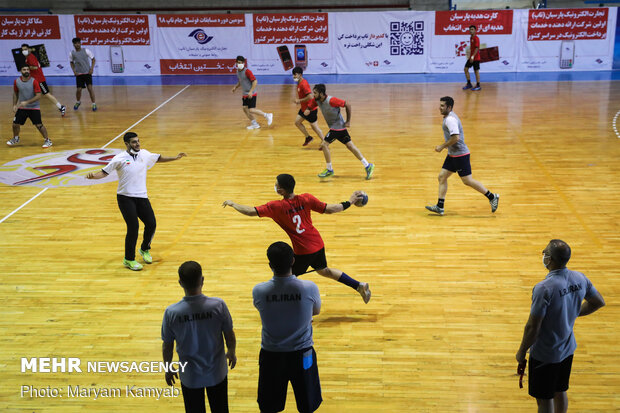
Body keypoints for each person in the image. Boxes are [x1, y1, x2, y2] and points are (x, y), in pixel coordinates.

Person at [222, 173, 371, 303]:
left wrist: (233, 204)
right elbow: (332, 209)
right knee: (324, 271)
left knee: (285, 279)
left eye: (276, 185)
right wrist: (350, 201)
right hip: (317, 243)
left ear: (281, 190)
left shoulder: (276, 207)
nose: (275, 186)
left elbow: (250, 212)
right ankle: (359, 285)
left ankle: (303, 309)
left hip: (304, 251)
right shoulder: (306, 198)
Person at [515, 240, 605, 413]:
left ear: (551, 259)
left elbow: (532, 327)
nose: (543, 255)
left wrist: (521, 352)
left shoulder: (544, 288)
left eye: (545, 252)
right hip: (567, 350)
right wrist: (571, 312)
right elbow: (598, 302)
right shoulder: (580, 278)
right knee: (560, 391)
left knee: (544, 400)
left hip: (545, 354)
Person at [86, 132, 186, 270]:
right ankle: (129, 259)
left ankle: (145, 249)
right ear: (126, 144)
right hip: (125, 198)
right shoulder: (119, 158)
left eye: (138, 141)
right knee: (133, 228)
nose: (137, 144)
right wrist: (93, 177)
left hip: (142, 196)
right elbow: (104, 172)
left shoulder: (144, 154)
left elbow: (158, 158)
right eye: (134, 142)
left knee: (151, 224)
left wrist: (175, 158)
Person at [253, 241, 322, 413]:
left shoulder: (259, 291)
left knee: (269, 406)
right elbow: (316, 311)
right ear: (293, 261)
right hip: (303, 353)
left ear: (270, 265)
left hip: (271, 356)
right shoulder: (309, 288)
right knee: (308, 404)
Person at [162, 261, 237, 413]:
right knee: (221, 409)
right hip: (217, 373)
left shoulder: (172, 313)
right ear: (202, 280)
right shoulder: (218, 305)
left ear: (180, 283)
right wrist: (231, 351)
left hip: (190, 376)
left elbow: (167, 345)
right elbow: (229, 333)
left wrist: (168, 367)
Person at [425, 96, 498, 215]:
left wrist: (442, 146)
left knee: (467, 180)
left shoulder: (450, 120)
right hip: (453, 154)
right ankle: (440, 206)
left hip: (460, 155)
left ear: (449, 107)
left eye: (442, 106)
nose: (440, 108)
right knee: (442, 177)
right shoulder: (449, 117)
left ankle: (492, 197)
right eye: (440, 105)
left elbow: (456, 137)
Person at [308, 84, 374, 180]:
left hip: (337, 128)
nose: (313, 94)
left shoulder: (331, 100)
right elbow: (311, 104)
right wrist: (307, 110)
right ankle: (368, 165)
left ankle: (329, 170)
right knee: (350, 146)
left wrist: (348, 121)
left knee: (324, 145)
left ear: (321, 94)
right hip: (339, 128)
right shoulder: (317, 100)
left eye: (315, 93)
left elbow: (347, 104)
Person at [7, 64, 53, 148]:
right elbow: (15, 93)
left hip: (34, 108)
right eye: (24, 69)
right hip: (22, 107)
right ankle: (16, 138)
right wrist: (14, 104)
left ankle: (47, 140)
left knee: (39, 125)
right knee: (15, 124)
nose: (26, 71)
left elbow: (38, 95)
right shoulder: (16, 81)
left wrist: (27, 102)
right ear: (21, 71)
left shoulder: (34, 81)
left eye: (28, 69)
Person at [21, 44, 66, 116]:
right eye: (23, 50)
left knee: (47, 94)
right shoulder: (27, 57)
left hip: (39, 80)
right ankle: (28, 110)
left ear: (29, 49)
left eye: (25, 49)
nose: (24, 51)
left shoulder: (30, 57)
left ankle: (61, 107)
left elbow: (35, 67)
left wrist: (27, 68)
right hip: (33, 80)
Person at [231, 55, 273, 130]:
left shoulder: (247, 71)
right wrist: (235, 87)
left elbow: (255, 81)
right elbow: (241, 81)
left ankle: (267, 115)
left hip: (251, 93)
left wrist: (250, 91)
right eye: (238, 63)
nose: (240, 64)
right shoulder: (237, 71)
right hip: (244, 94)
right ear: (236, 63)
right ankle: (255, 124)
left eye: (241, 62)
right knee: (245, 108)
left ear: (244, 63)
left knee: (251, 109)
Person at [292, 66, 324, 147]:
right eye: (293, 75)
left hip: (310, 109)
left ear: (300, 74)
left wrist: (299, 100)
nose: (294, 76)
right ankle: (308, 137)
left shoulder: (304, 84)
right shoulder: (299, 83)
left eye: (295, 75)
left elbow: (310, 96)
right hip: (303, 109)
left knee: (315, 128)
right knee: (297, 122)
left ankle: (325, 142)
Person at [69, 37, 97, 111]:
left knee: (90, 89)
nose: (77, 44)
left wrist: (92, 68)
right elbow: (71, 63)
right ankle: (78, 102)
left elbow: (93, 59)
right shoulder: (72, 53)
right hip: (79, 74)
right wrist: (74, 71)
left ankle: (94, 104)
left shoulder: (86, 51)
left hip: (87, 73)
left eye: (78, 43)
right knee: (78, 90)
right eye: (75, 43)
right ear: (73, 44)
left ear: (80, 43)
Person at [463, 25, 481, 91]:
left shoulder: (476, 38)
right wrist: (470, 56)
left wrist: (473, 56)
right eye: (470, 29)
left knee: (476, 71)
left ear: (475, 30)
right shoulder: (471, 38)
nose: (471, 31)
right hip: (471, 57)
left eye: (472, 29)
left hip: (476, 58)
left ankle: (478, 85)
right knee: (465, 69)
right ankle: (469, 83)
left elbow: (477, 48)